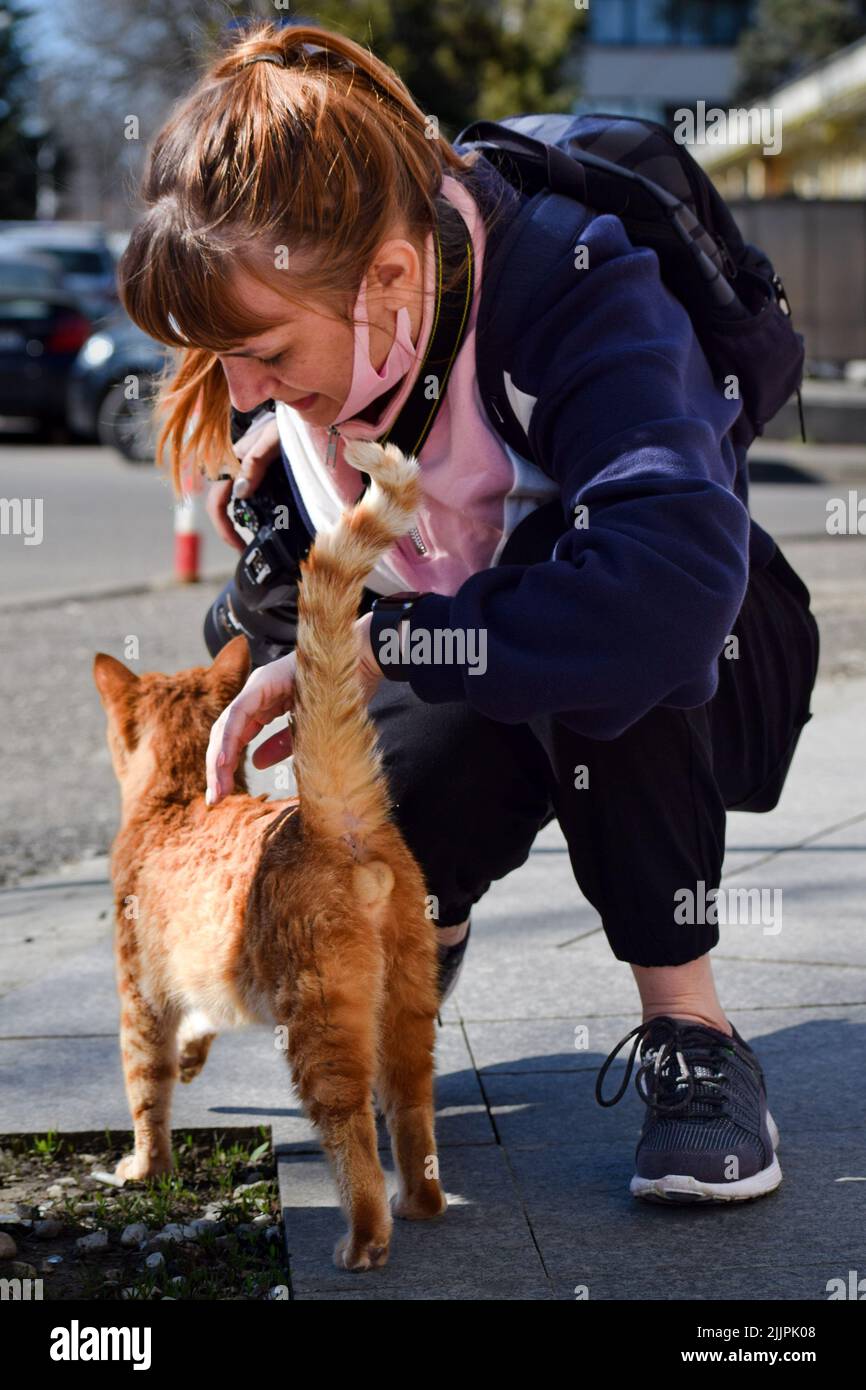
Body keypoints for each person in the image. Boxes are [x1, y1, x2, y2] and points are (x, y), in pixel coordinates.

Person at [116, 22, 819, 1204]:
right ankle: (415, 954)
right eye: (219, 358)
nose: (242, 392)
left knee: (599, 624)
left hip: (701, 652)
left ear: (390, 274)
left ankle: (694, 1033)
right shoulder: (310, 371)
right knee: (371, 804)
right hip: (478, 656)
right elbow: (281, 614)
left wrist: (381, 645)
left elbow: (666, 587)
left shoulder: (578, 289)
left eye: (265, 352)